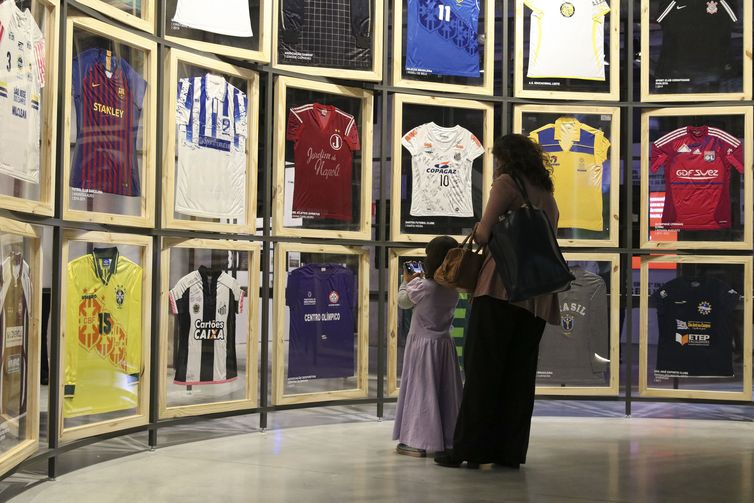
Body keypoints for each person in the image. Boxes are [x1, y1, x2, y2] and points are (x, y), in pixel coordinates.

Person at [435, 134, 561, 469]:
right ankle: (509, 452)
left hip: (501, 290)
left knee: (483, 371)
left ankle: (468, 450)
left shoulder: (506, 183)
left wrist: (479, 227)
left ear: (506, 158)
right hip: (538, 297)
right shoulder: (546, 192)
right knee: (519, 377)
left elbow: (484, 235)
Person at [393, 236, 464, 457]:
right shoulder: (452, 289)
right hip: (444, 344)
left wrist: (406, 280)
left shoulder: (423, 286)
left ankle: (417, 441)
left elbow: (402, 301)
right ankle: (448, 438)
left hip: (422, 346)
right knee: (445, 392)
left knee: (421, 391)